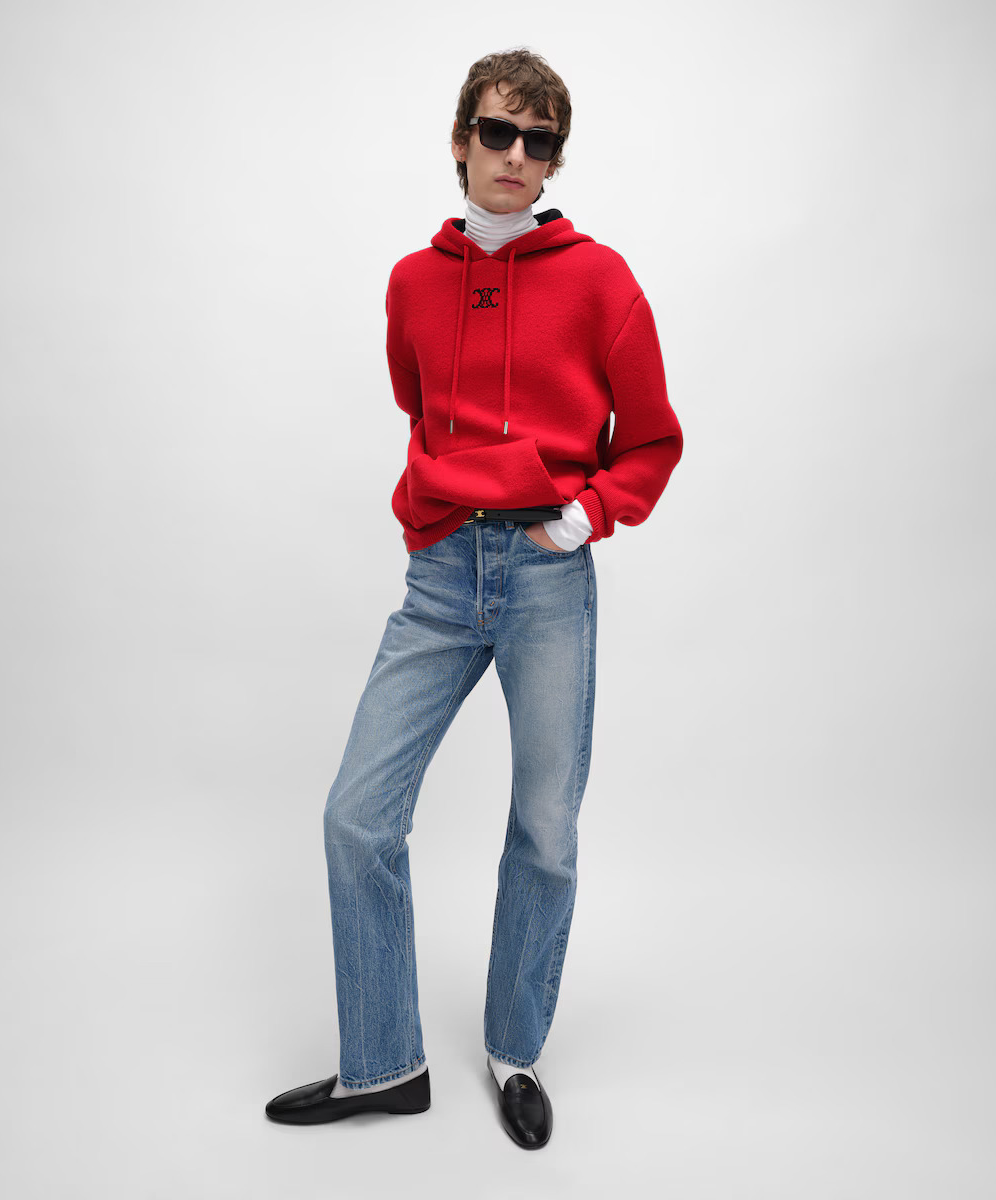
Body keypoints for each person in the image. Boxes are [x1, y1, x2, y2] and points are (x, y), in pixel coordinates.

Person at [265, 48, 683, 1149]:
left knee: (545, 826)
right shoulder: (412, 282)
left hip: (548, 576)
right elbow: (421, 404)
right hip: (445, 575)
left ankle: (515, 1050)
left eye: (540, 142)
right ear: (461, 141)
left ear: (554, 160)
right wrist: (435, 517)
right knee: (357, 816)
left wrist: (585, 516)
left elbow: (650, 439)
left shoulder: (601, 281)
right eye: (498, 132)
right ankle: (385, 1062)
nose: (517, 156)